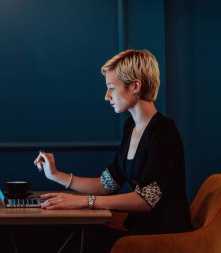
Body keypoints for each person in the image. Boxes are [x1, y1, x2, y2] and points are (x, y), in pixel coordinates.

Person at [33, 49, 192, 252]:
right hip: (137, 229)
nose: (106, 96)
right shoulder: (131, 128)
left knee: (79, 239)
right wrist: (56, 175)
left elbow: (145, 200)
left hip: (161, 236)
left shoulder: (163, 132)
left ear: (135, 86)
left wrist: (84, 202)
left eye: (111, 88)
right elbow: (107, 184)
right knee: (68, 233)